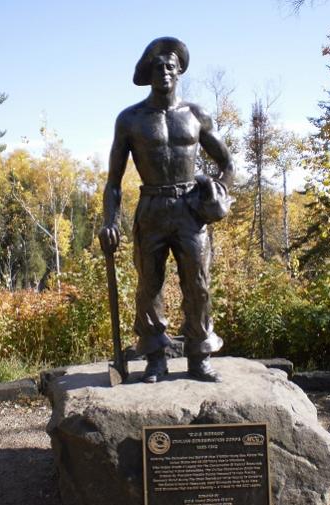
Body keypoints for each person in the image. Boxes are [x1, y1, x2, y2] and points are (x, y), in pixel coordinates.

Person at [99, 37, 234, 384]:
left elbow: (227, 164)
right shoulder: (130, 120)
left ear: (179, 72)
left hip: (190, 210)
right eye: (157, 67)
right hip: (152, 208)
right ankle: (155, 358)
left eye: (170, 66)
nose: (164, 72)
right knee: (149, 286)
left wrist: (214, 197)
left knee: (199, 285)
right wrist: (109, 221)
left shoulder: (195, 115)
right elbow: (114, 181)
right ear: (148, 73)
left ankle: (199, 357)